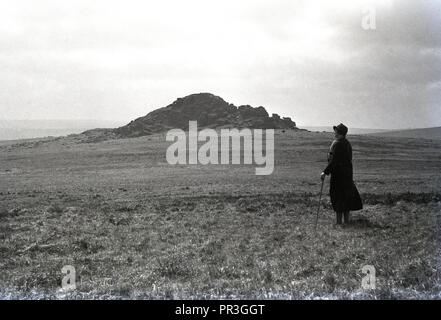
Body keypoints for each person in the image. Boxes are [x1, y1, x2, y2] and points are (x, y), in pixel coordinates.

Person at [321, 123, 362, 225]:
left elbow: (334, 161)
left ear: (339, 133)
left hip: (338, 176)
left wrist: (325, 172)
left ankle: (339, 223)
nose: (334, 132)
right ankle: (346, 222)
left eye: (336, 131)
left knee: (338, 197)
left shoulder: (338, 144)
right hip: (347, 175)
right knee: (345, 198)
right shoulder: (347, 143)